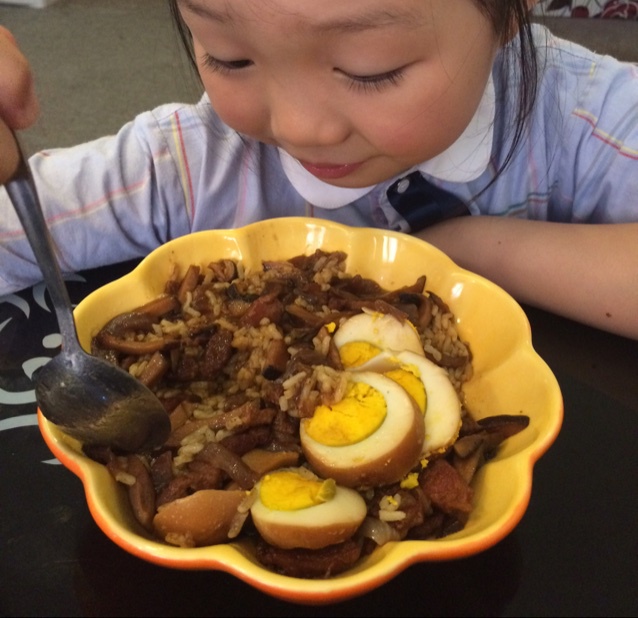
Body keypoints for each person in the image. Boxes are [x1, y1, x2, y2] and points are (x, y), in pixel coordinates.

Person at [0, 0, 637, 340]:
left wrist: (471, 248)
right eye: (230, 57)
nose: (301, 128)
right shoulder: (186, 165)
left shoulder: (582, 117)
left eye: (370, 68)